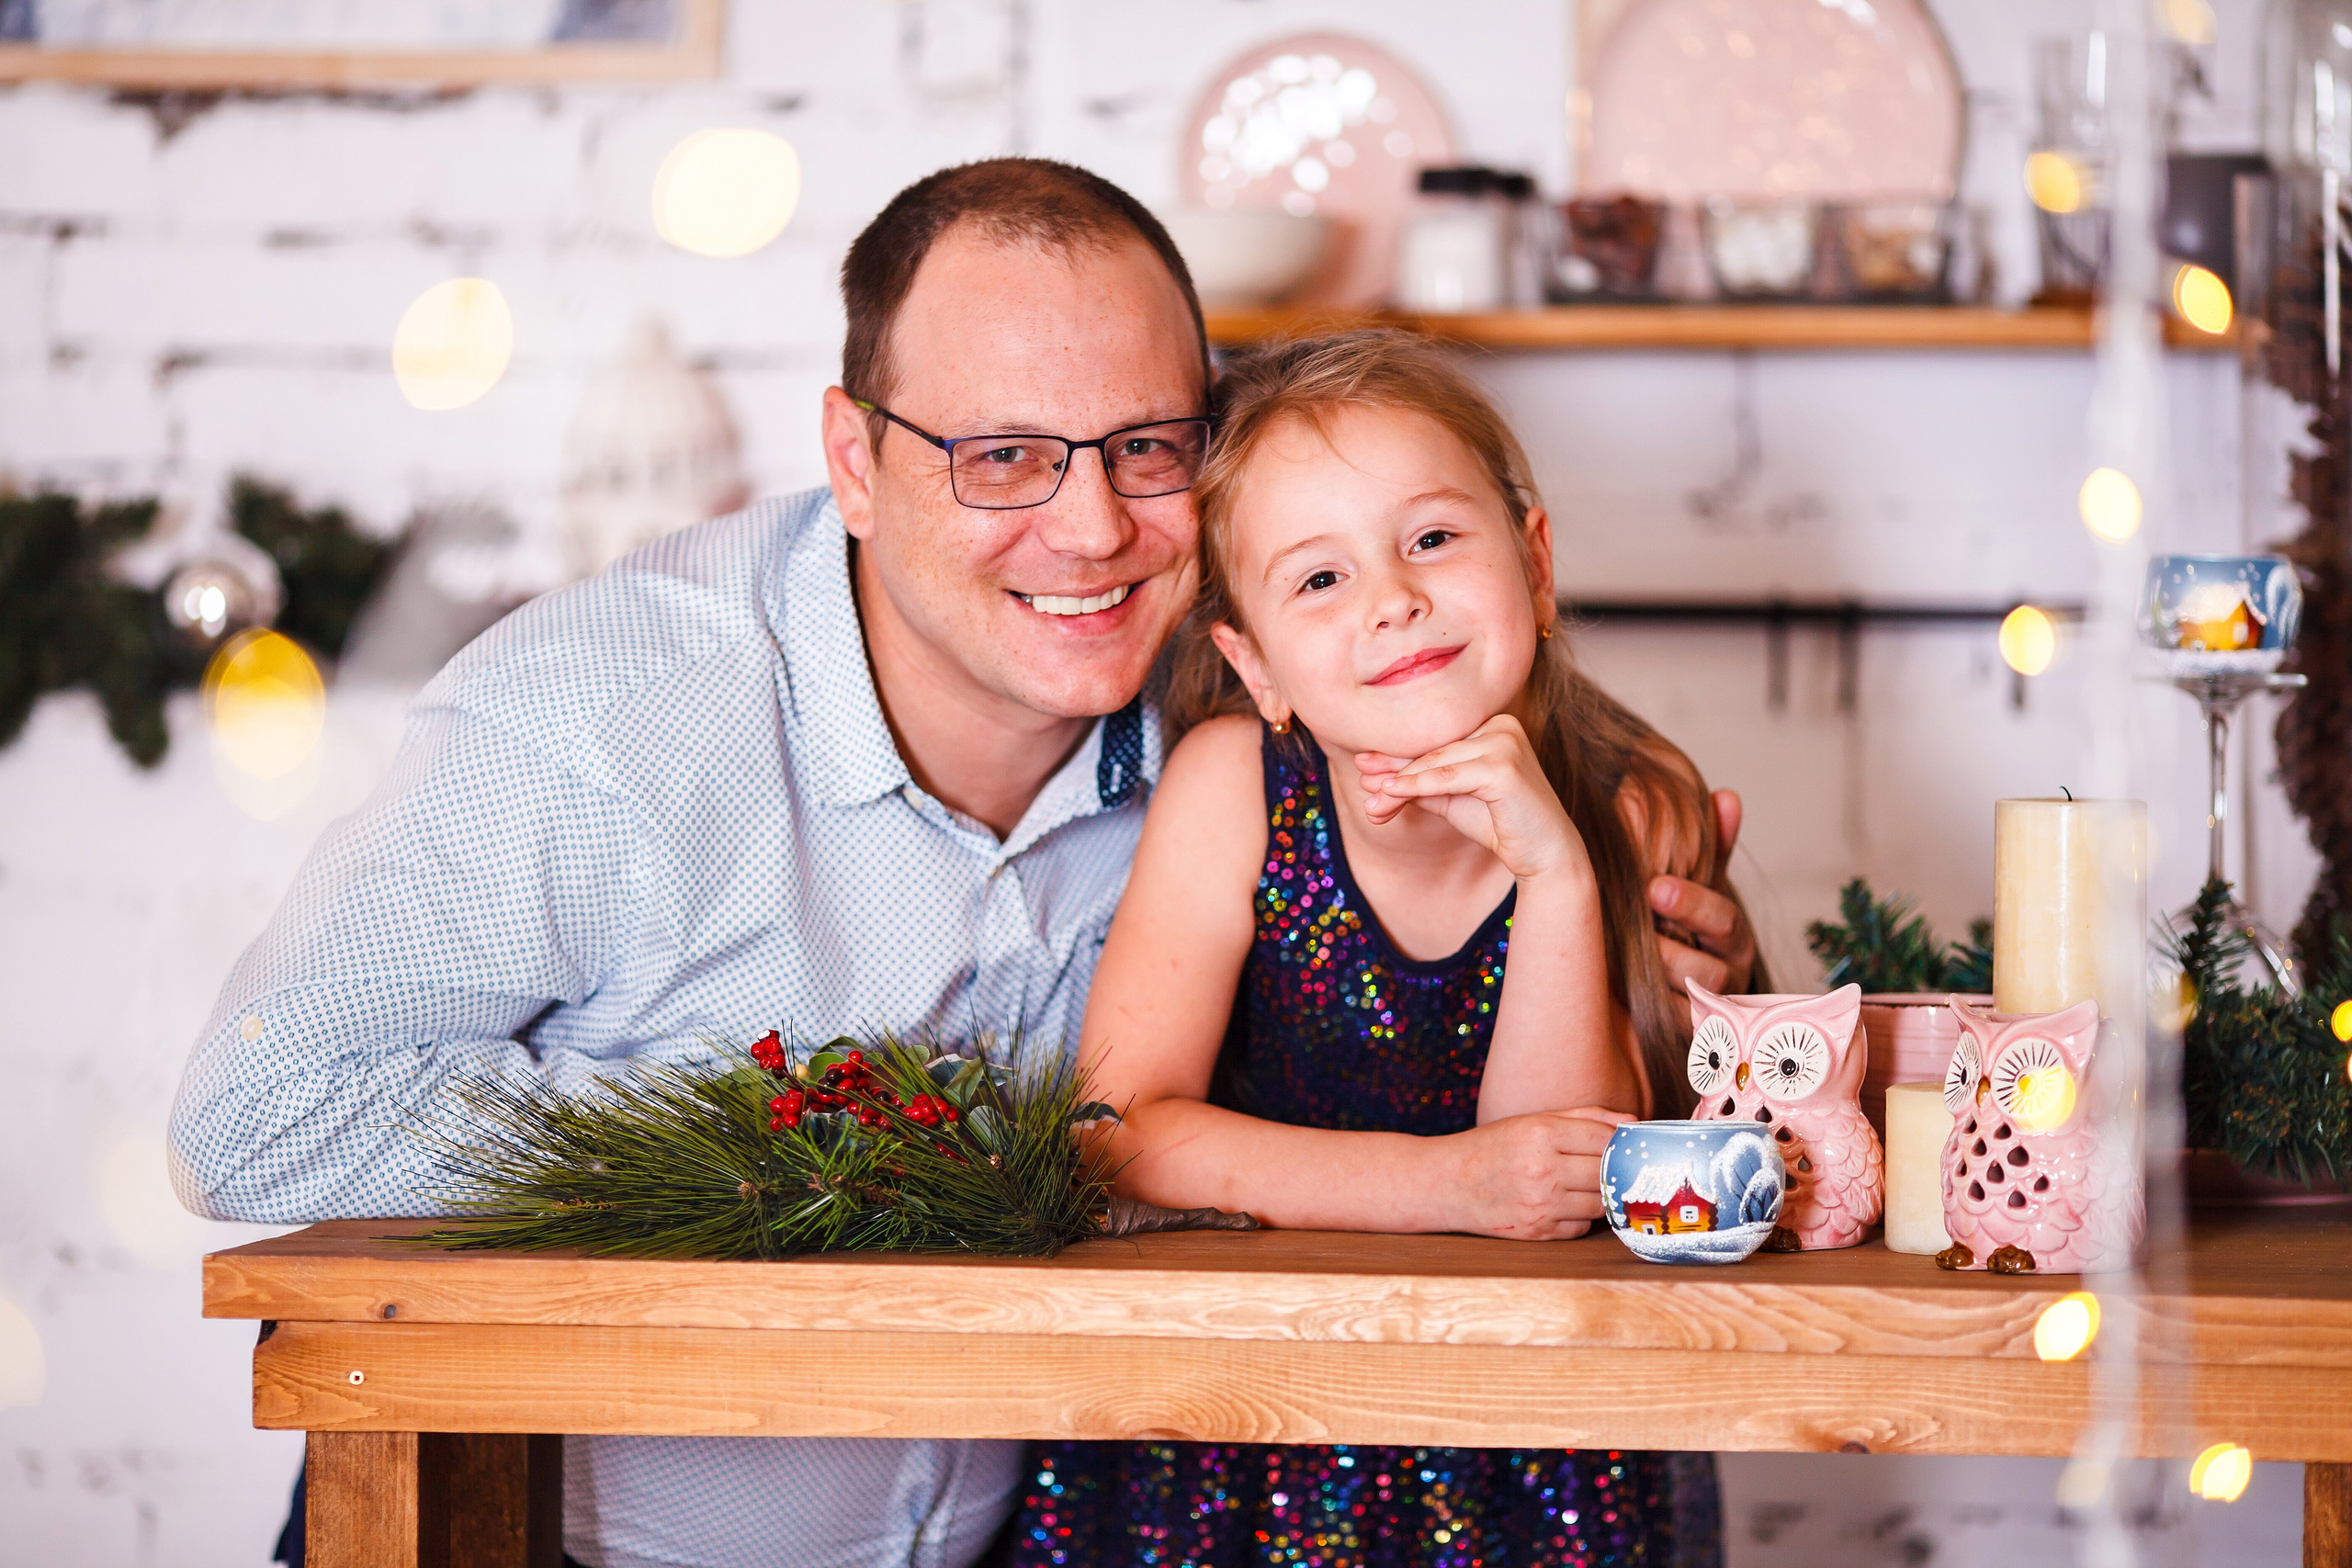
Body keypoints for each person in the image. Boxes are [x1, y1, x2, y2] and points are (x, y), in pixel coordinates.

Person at [170, 159, 1757, 1568]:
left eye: (1145, 448)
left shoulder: (1250, 691)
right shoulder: (605, 721)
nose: (1087, 531)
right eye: (1001, 456)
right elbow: (259, 1116)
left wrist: (1666, 958)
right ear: (856, 464)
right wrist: (828, 1143)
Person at [1009, 332, 1747, 1567]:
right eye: (1318, 580)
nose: (1393, 599)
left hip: (1532, 1449)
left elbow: (1558, 1183)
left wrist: (1554, 870)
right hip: (1238, 1432)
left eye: (1433, 540)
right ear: (1255, 665)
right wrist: (1448, 1185)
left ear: (1538, 564)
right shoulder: (1237, 787)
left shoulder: (1629, 810)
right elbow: (1116, 1130)